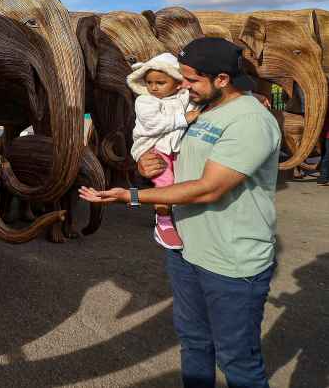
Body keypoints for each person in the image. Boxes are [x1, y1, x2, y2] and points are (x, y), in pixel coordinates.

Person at [80, 37, 280, 388]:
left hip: (232, 263)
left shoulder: (249, 120)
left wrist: (132, 196)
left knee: (238, 360)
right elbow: (173, 159)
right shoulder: (200, 108)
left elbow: (209, 187)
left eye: (191, 80)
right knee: (194, 344)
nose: (182, 86)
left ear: (222, 79)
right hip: (185, 252)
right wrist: (145, 164)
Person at [126, 52, 200, 249]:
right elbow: (152, 125)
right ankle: (163, 222)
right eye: (149, 82)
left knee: (183, 182)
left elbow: (196, 102)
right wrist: (183, 119)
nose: (153, 87)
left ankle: (177, 217)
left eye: (160, 82)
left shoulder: (182, 96)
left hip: (174, 148)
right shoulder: (145, 101)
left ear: (177, 83)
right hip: (154, 149)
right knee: (165, 185)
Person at [317, 109, 329, 185]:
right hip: (326, 134)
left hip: (324, 133)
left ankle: (324, 176)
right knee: (327, 156)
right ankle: (323, 178)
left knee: (325, 155)